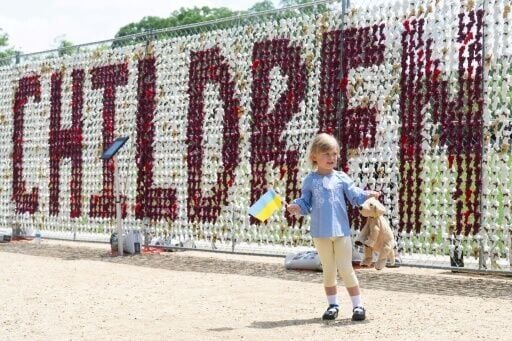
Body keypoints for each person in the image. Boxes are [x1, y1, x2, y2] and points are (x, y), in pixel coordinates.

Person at [287, 133, 380, 321]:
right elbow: (306, 203)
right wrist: (297, 207)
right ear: (314, 156)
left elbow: (354, 195)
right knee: (328, 269)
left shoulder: (341, 178)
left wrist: (367, 195)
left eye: (335, 154)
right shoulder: (310, 181)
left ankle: (358, 306)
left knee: (346, 268)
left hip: (341, 231)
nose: (332, 158)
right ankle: (333, 305)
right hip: (320, 233)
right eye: (326, 154)